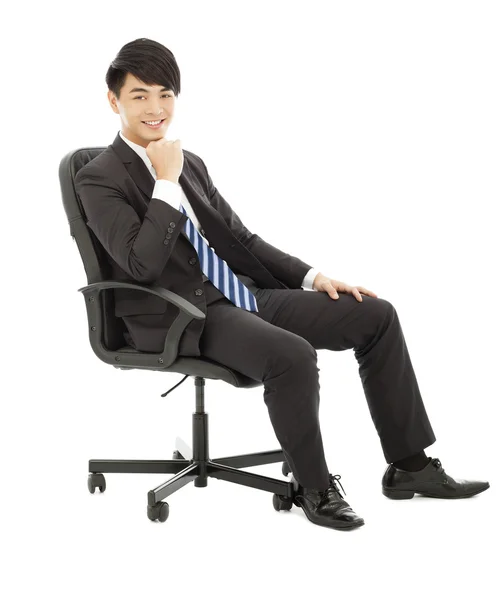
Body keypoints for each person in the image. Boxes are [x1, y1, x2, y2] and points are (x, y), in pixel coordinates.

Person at [75, 38, 490, 531]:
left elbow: (241, 238)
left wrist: (314, 278)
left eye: (165, 94)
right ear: (113, 100)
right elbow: (140, 266)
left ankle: (410, 467)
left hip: (242, 294)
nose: (156, 108)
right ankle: (314, 488)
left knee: (375, 317)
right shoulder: (98, 178)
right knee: (292, 354)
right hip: (180, 316)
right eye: (140, 95)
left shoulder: (192, 163)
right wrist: (164, 183)